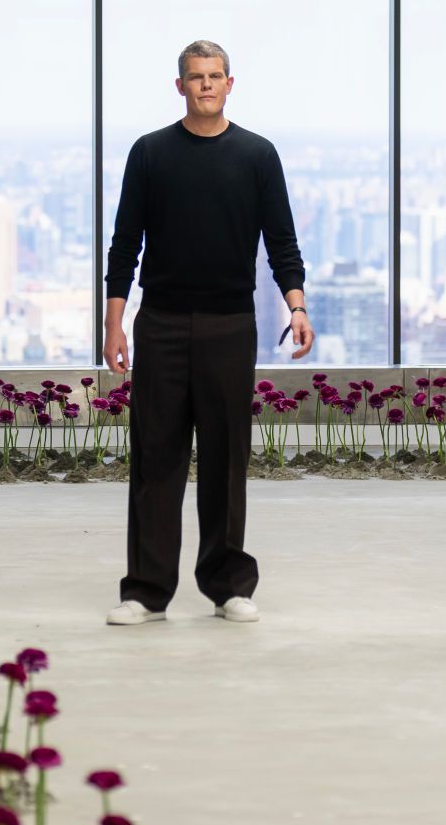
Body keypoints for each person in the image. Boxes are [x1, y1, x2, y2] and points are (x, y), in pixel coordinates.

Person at [103, 39, 314, 626]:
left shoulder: (256, 155)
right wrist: (114, 322)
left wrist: (296, 307)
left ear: (229, 83)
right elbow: (125, 245)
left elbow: (282, 241)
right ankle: (146, 591)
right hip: (162, 323)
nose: (205, 85)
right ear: (180, 86)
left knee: (226, 458)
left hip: (230, 324)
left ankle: (227, 587)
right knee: (156, 458)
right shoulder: (149, 154)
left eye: (214, 76)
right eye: (195, 77)